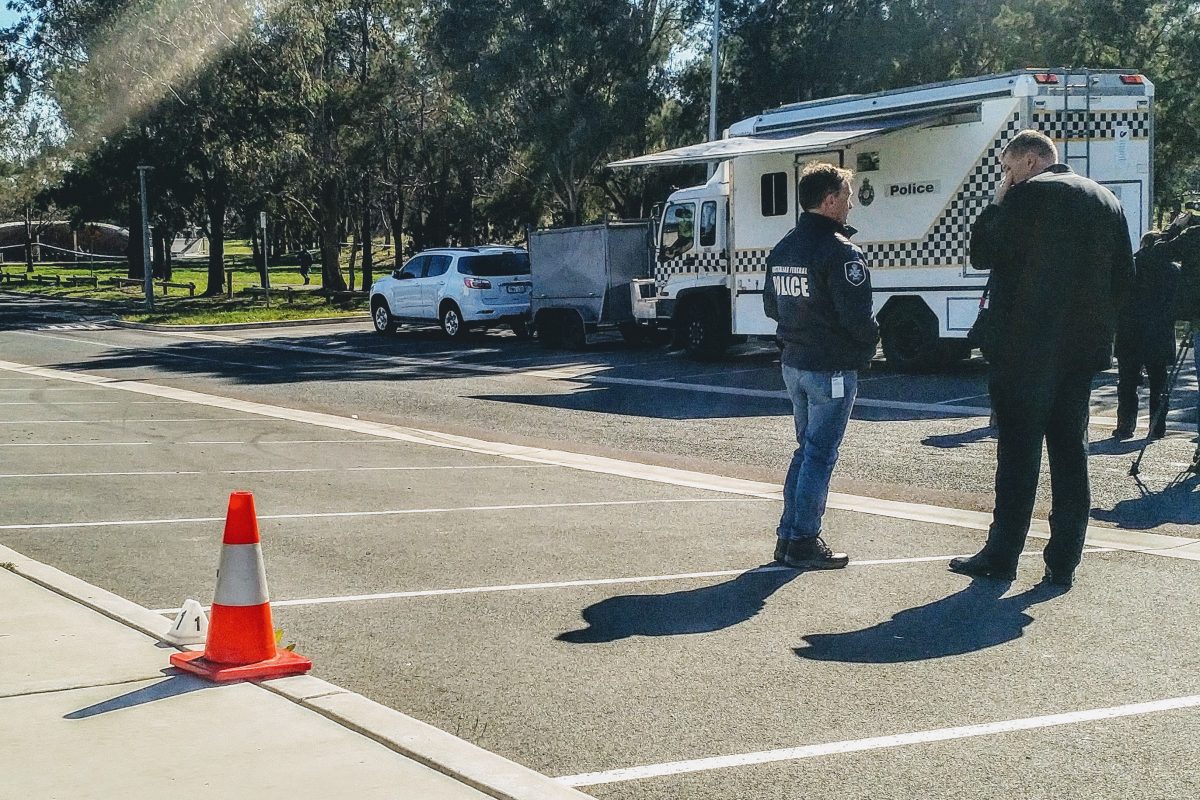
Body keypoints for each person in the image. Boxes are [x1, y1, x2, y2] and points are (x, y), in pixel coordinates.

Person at [952, 129, 1134, 588]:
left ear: (1030, 161)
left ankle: (1003, 552)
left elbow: (982, 252)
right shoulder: (1106, 200)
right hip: (1080, 353)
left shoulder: (1027, 196)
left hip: (1025, 350)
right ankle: (1063, 560)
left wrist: (997, 201)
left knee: (1018, 455)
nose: (1006, 177)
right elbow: (1123, 278)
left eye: (1008, 168)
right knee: (1071, 454)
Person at [763, 161, 879, 569]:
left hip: (794, 363)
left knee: (805, 451)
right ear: (830, 201)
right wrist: (871, 343)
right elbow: (857, 318)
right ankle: (803, 540)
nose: (851, 205)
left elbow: (770, 307)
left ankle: (788, 535)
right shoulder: (841, 251)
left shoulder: (783, 247)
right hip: (829, 368)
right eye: (847, 197)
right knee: (819, 456)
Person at [1113, 231, 1180, 440]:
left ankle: (1126, 424)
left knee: (1127, 382)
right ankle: (1157, 425)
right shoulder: (1172, 270)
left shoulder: (1131, 266)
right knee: (1159, 382)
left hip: (1130, 332)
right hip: (1159, 333)